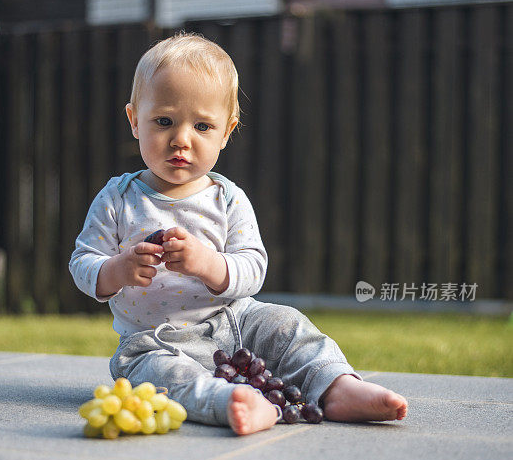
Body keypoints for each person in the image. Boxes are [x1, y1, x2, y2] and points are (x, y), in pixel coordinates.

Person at [69, 32, 407, 436]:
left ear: (226, 132)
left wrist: (208, 264)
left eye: (202, 125)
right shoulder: (118, 198)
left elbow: (253, 267)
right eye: (164, 121)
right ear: (134, 121)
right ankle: (231, 400)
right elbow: (83, 263)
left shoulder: (228, 198)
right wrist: (117, 269)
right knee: (160, 376)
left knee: (287, 323)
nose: (181, 138)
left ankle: (337, 386)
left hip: (236, 322)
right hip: (153, 340)